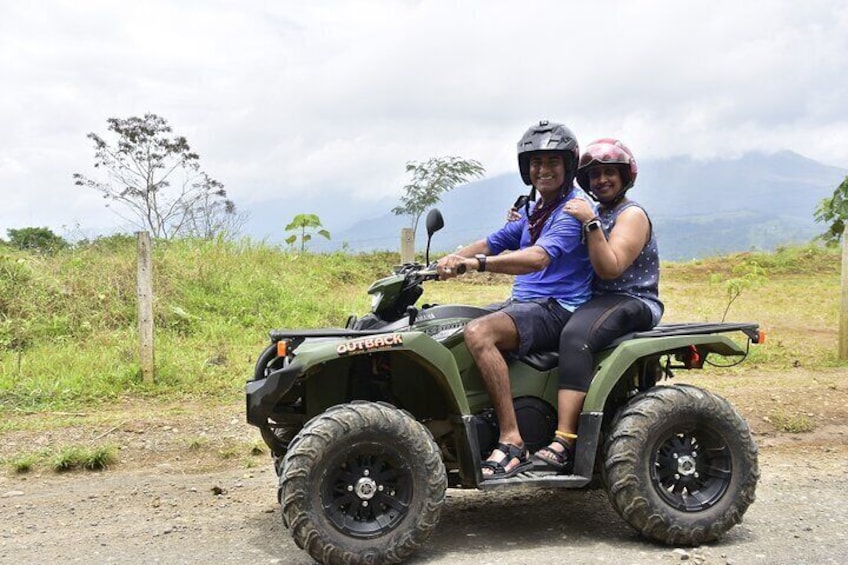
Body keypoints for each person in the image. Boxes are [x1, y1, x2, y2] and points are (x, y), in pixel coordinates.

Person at [436, 121, 594, 479]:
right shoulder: (531, 211)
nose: (543, 170)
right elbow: (493, 241)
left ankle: (512, 441)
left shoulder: (571, 210)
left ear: (568, 165)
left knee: (479, 333)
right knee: (452, 328)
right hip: (527, 305)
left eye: (552, 162)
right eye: (536, 162)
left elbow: (537, 258)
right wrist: (445, 261)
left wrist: (474, 265)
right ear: (527, 169)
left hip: (558, 308)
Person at [531, 138, 663, 471]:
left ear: (625, 176)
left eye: (609, 173)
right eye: (594, 176)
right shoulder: (598, 211)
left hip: (632, 298)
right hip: (596, 299)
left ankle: (564, 440)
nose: (601, 180)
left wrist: (590, 224)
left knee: (576, 336)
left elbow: (610, 267)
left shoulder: (630, 215)